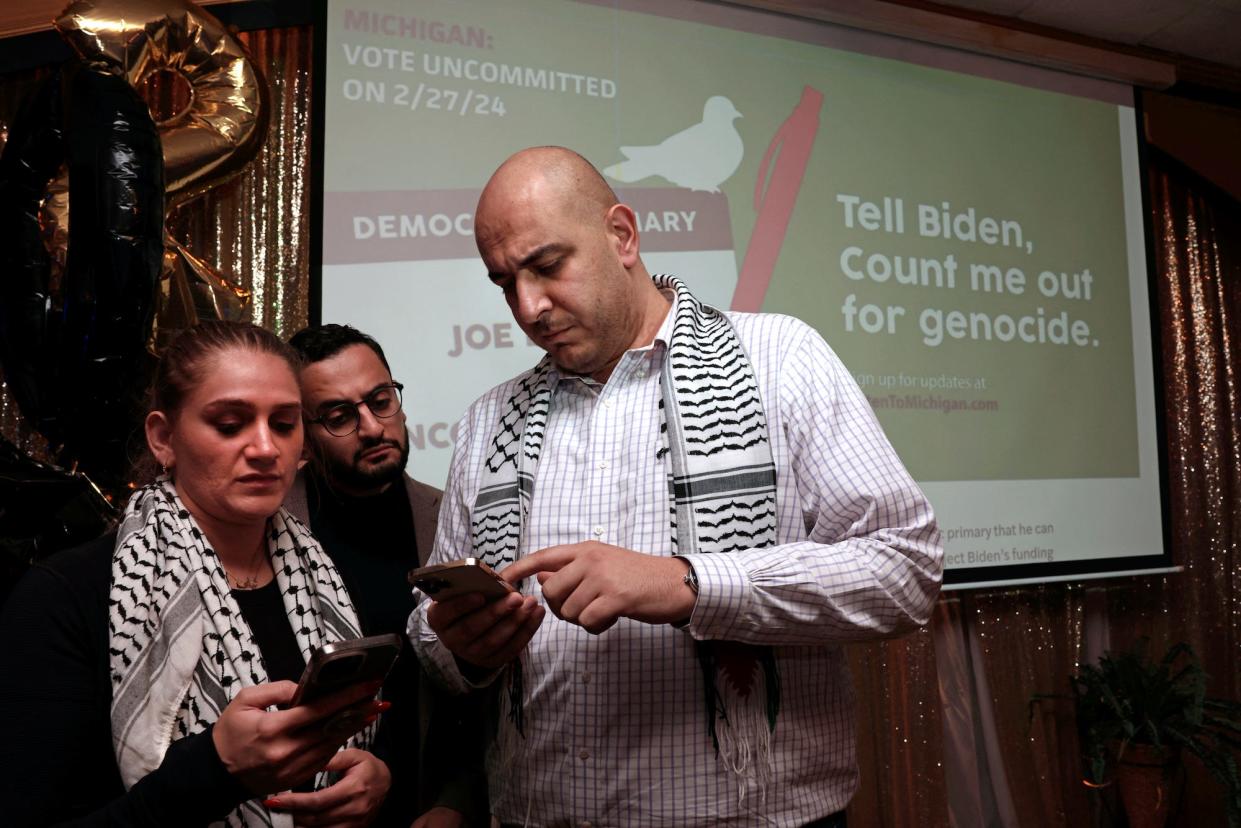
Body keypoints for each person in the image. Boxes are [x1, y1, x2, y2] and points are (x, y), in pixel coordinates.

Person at [410, 146, 943, 826]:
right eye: (503, 283)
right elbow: (431, 643)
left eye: (547, 265)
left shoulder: (779, 359)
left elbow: (904, 569)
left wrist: (689, 584)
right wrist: (461, 644)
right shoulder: (490, 421)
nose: (529, 306)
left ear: (622, 235)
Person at [0, 321, 390, 827]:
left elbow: (354, 745)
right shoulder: (65, 598)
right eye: (230, 424)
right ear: (164, 438)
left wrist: (376, 780)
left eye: (284, 423)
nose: (265, 448)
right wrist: (218, 769)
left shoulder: (324, 577)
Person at [285, 324, 486, 827]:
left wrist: (455, 803)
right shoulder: (268, 527)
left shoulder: (450, 518)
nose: (373, 427)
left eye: (381, 400)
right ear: (304, 433)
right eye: (338, 416)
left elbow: (481, 690)